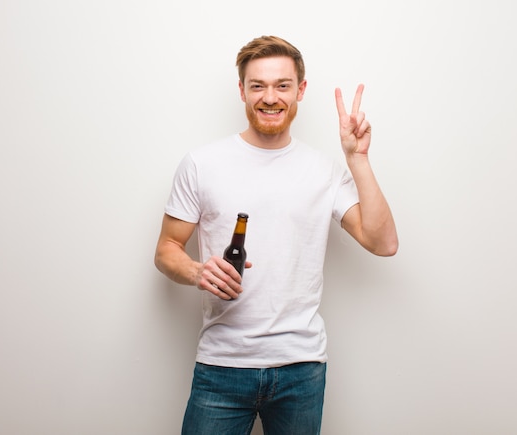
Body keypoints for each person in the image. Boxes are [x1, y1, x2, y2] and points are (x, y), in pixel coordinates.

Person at [154, 35, 398, 435]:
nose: (271, 97)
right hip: (223, 365)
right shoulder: (202, 164)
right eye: (258, 85)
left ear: (300, 90)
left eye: (282, 85)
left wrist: (357, 159)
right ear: (242, 91)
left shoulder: (324, 170)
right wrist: (198, 272)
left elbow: (383, 242)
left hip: (301, 368)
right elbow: (166, 249)